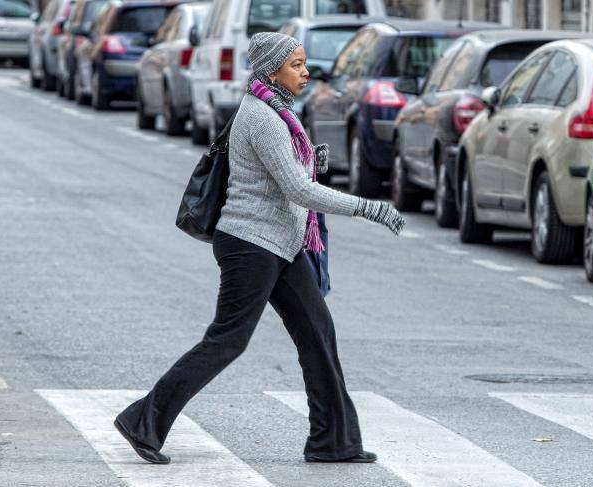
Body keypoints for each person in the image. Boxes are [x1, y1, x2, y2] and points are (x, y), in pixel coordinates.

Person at [113, 32, 405, 465]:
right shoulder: (264, 117)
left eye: (305, 64)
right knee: (227, 340)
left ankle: (333, 443)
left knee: (318, 333)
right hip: (250, 244)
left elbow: (285, 175)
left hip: (281, 244)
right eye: (296, 65)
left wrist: (310, 159)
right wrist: (367, 208)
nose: (306, 72)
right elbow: (297, 189)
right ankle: (143, 422)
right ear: (272, 71)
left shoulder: (280, 110)